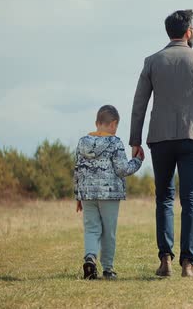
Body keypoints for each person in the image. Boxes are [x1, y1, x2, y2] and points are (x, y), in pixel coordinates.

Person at [129, 9, 193, 277]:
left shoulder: (152, 61)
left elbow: (139, 104)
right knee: (190, 199)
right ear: (188, 32)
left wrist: (135, 140)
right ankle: (188, 264)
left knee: (164, 198)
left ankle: (165, 261)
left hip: (159, 138)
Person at [74, 105, 143, 280]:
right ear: (113, 124)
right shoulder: (115, 143)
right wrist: (138, 161)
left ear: (97, 123)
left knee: (91, 229)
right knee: (108, 231)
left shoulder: (82, 142)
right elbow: (122, 169)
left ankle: (90, 258)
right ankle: (107, 268)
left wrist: (78, 196)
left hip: (87, 194)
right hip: (109, 194)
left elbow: (77, 169)